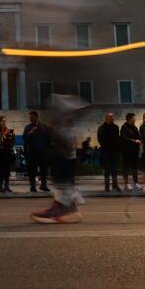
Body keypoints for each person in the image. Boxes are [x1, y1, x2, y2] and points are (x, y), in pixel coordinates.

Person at [30, 95, 84, 224]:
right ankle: (62, 206)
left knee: (62, 172)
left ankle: (67, 209)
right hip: (61, 147)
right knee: (58, 171)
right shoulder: (58, 127)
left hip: (65, 151)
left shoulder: (66, 126)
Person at [23, 111, 50, 193]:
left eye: (32, 117)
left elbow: (48, 138)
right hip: (32, 152)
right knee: (32, 170)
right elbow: (24, 138)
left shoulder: (44, 127)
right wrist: (30, 133)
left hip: (42, 151)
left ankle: (43, 185)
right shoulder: (28, 127)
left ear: (36, 117)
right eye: (30, 117)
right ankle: (33, 186)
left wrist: (47, 149)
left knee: (44, 169)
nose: (31, 119)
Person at [97, 112, 120, 192]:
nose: (112, 118)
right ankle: (107, 187)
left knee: (114, 169)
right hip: (105, 151)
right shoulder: (102, 128)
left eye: (112, 116)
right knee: (106, 169)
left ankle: (115, 185)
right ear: (106, 118)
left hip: (113, 151)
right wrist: (108, 143)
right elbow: (100, 139)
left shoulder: (116, 127)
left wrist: (114, 145)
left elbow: (117, 138)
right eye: (110, 117)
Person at [119, 112, 142, 191]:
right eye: (134, 118)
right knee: (126, 167)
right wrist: (134, 141)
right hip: (126, 151)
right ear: (129, 118)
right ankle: (127, 184)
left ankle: (136, 183)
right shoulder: (124, 127)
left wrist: (139, 141)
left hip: (134, 150)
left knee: (135, 167)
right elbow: (123, 138)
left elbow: (138, 136)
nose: (135, 119)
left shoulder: (134, 127)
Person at [0, 115, 15, 193]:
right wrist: (5, 135)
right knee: (1, 171)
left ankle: (6, 186)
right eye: (2, 121)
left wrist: (12, 136)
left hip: (7, 153)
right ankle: (0, 187)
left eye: (5, 121)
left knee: (7, 171)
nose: (4, 122)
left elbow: (11, 142)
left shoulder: (8, 130)